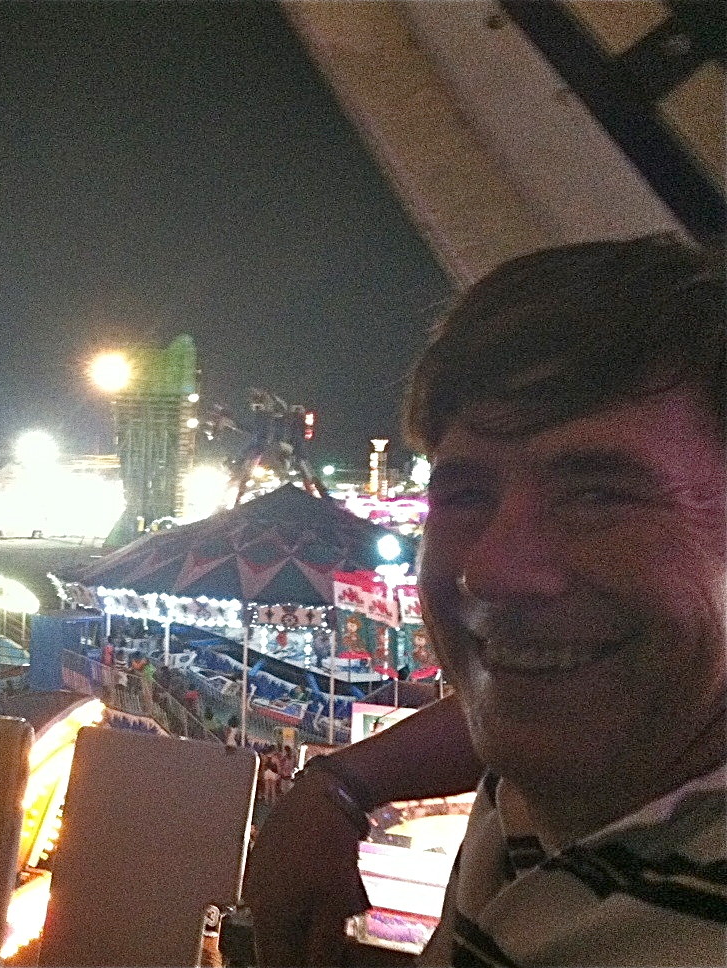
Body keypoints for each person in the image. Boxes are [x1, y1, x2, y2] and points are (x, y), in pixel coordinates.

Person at [244, 235, 726, 966]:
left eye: (598, 494)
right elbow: (499, 707)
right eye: (467, 493)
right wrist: (340, 786)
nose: (492, 571)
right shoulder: (602, 731)